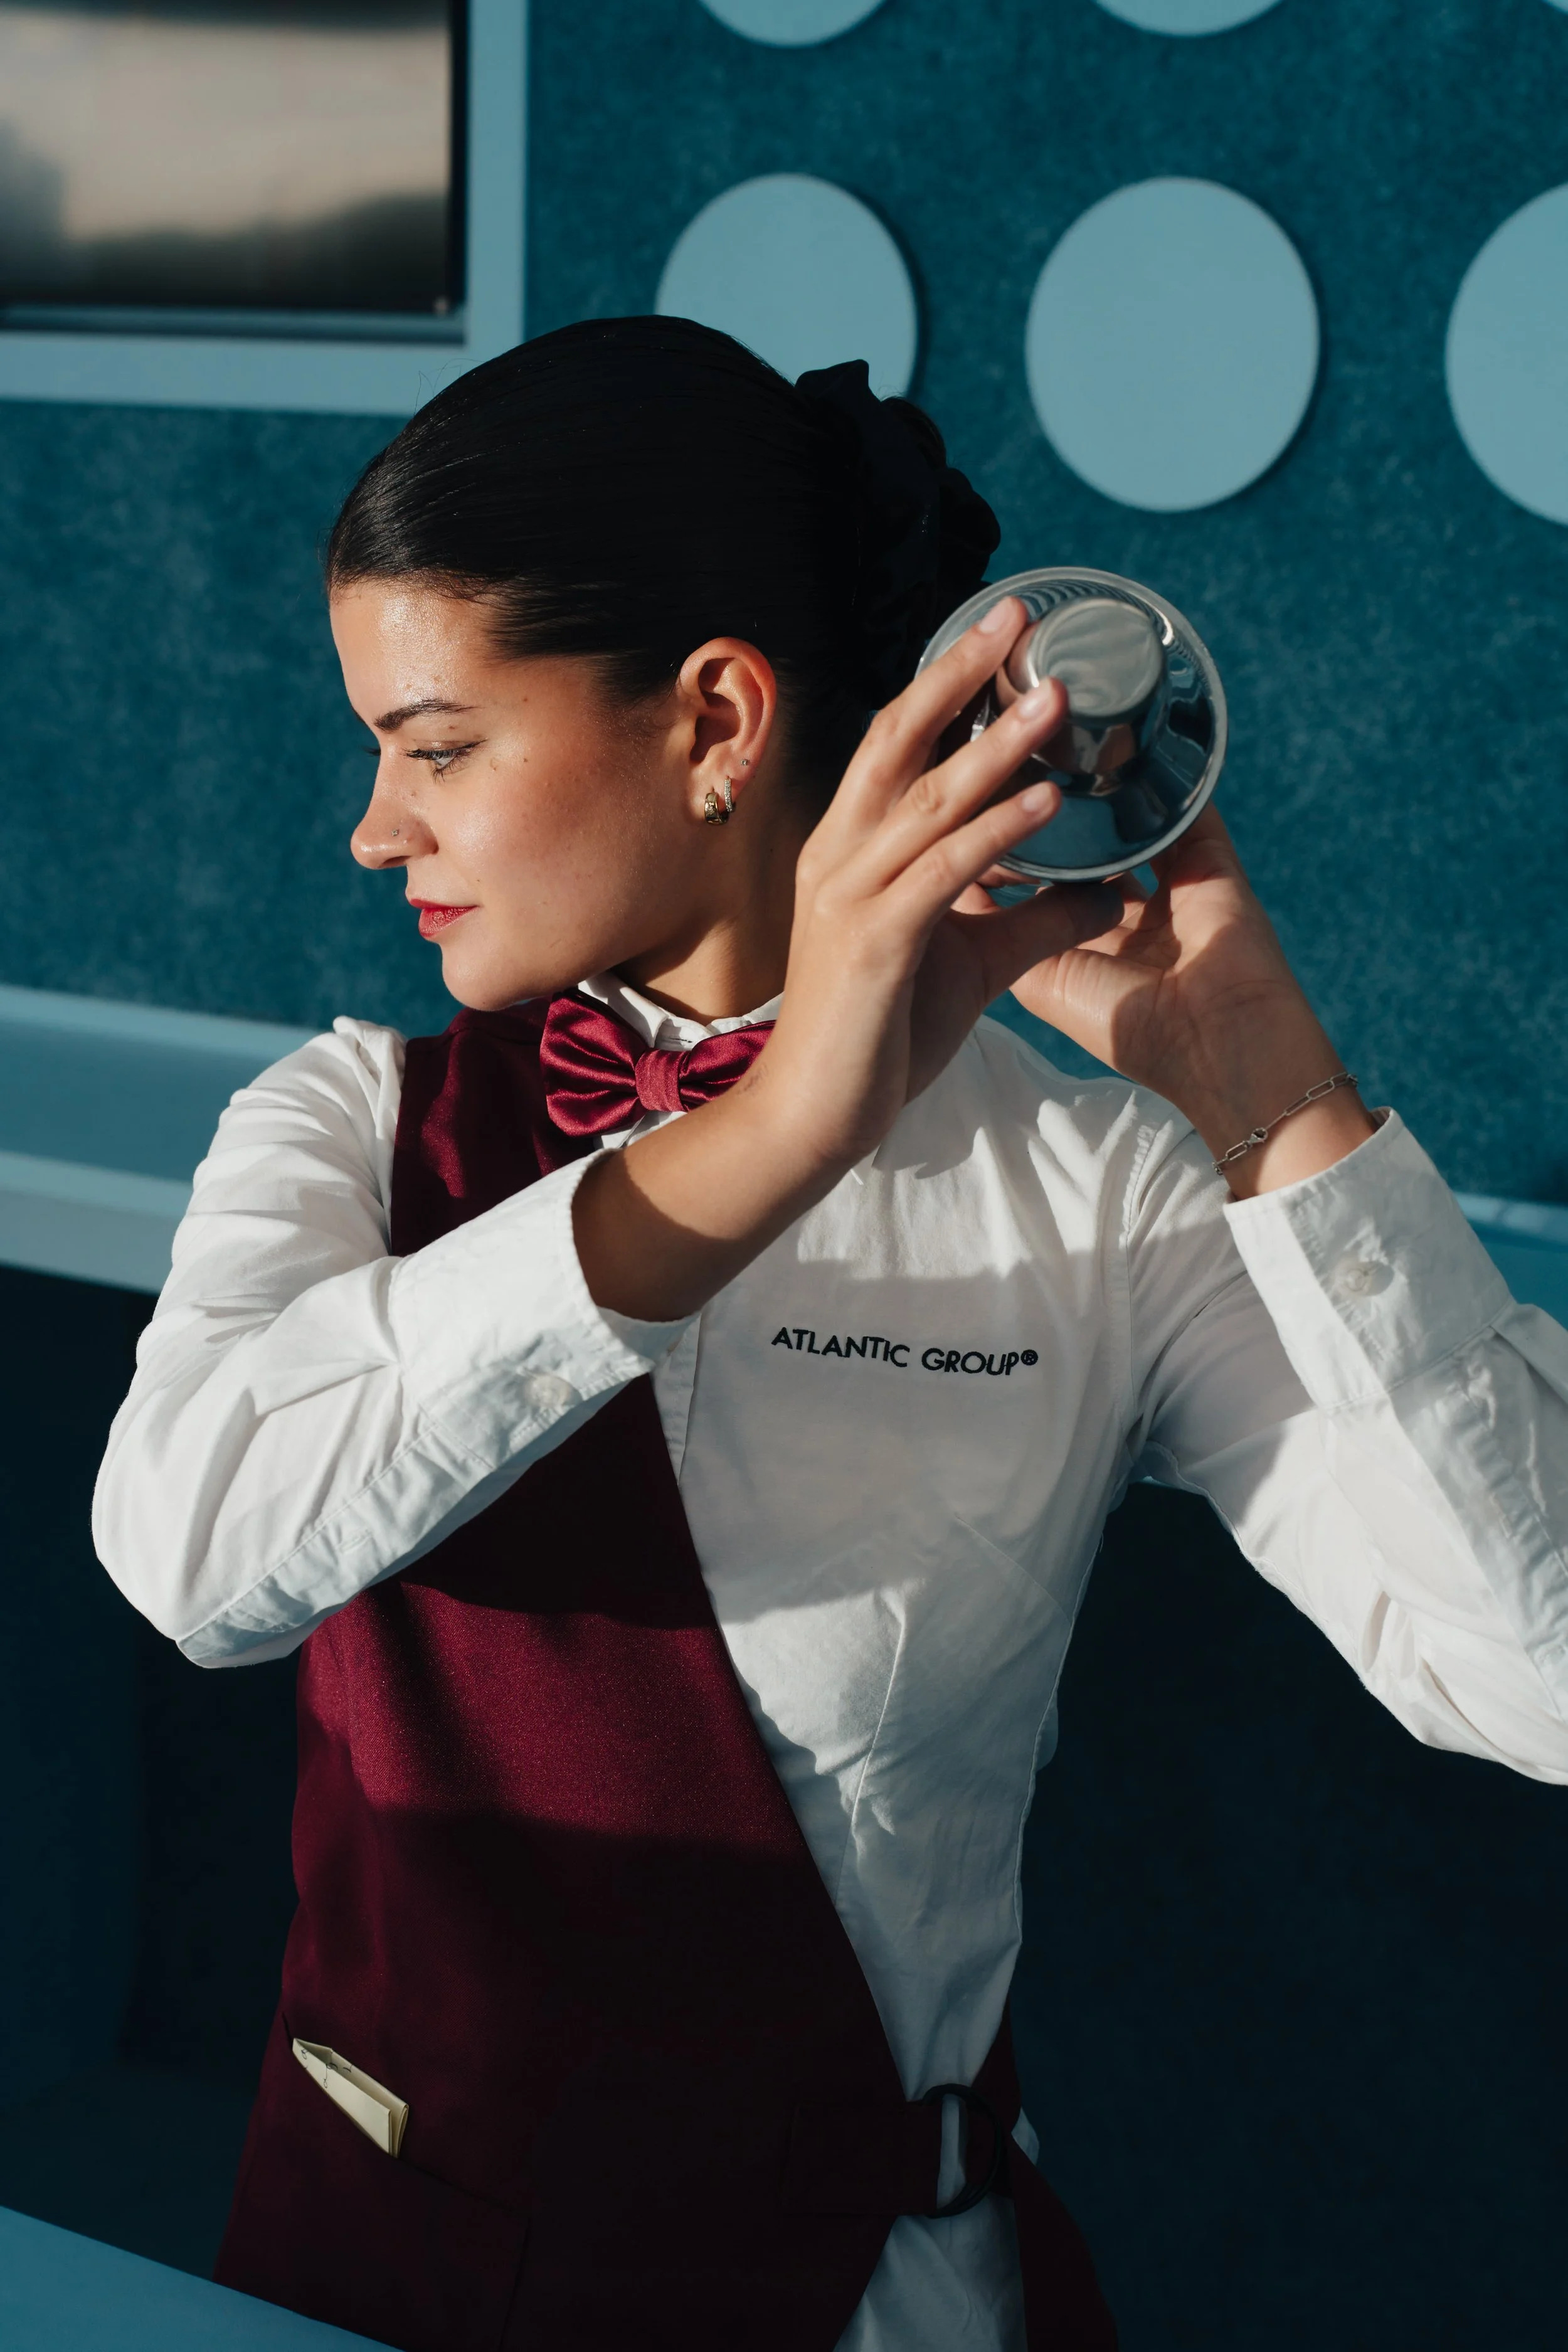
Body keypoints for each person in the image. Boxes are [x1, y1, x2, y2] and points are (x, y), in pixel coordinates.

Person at [95, 317, 1568, 2352]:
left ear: (712, 717)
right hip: (388, 2289)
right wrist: (782, 1131)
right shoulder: (347, 1120)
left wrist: (1260, 1078)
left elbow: (1543, 1673)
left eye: (433, 745)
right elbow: (194, 1556)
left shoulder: (1103, 1197)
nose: (374, 824)